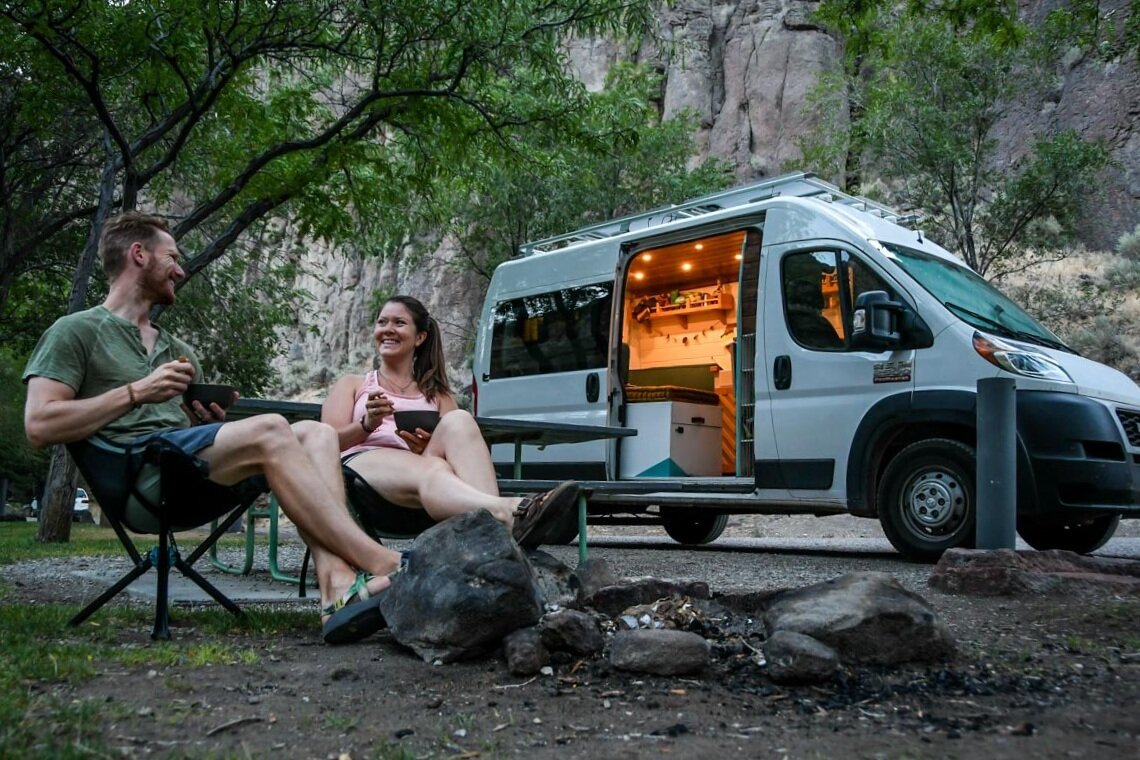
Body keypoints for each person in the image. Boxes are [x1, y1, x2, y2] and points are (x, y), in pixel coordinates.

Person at [23, 211, 396, 645]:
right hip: (135, 478)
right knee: (273, 427)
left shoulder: (178, 351)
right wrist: (136, 392)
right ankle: (386, 563)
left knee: (319, 433)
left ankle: (336, 591)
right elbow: (39, 424)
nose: (180, 270)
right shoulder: (75, 331)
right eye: (172, 257)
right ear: (138, 255)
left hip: (190, 474)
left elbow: (183, 431)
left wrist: (205, 423)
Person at [321, 295, 578, 546]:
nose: (388, 329)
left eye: (399, 323)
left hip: (429, 480)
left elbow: (458, 453)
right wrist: (367, 424)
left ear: (420, 337)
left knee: (459, 420)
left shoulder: (438, 395)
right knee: (432, 469)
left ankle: (494, 535)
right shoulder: (353, 385)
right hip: (365, 481)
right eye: (382, 322)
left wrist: (425, 447)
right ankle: (511, 513)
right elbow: (323, 445)